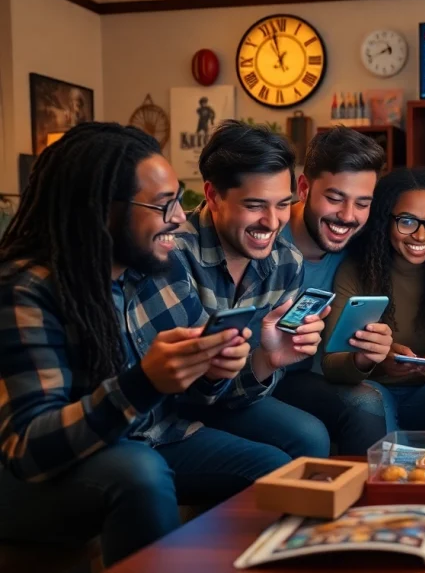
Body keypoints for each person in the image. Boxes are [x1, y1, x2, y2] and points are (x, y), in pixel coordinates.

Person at [0, 123, 288, 567]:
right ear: (102, 210)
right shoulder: (28, 289)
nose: (178, 217)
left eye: (176, 200)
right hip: (48, 473)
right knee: (138, 470)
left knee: (274, 471)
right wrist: (142, 384)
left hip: (157, 439)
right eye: (161, 205)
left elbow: (196, 396)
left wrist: (214, 369)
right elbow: (29, 448)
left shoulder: (160, 265)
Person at [175, 119, 330, 459]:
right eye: (255, 205)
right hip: (170, 407)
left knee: (310, 436)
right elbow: (169, 390)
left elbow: (240, 390)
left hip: (228, 396)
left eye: (283, 204)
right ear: (213, 196)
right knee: (271, 459)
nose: (273, 222)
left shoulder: (287, 262)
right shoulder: (173, 254)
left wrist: (268, 359)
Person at [271, 126, 390, 454]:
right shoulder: (265, 233)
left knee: (367, 402)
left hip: (293, 378)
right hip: (242, 376)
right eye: (335, 198)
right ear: (304, 188)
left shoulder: (357, 252)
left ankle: (369, 505)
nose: (348, 217)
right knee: (308, 434)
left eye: (362, 203)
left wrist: (366, 355)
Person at [320, 168, 425, 432]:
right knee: (368, 399)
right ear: (385, 220)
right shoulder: (357, 271)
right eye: (407, 221)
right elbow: (331, 364)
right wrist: (373, 358)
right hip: (376, 392)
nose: (421, 236)